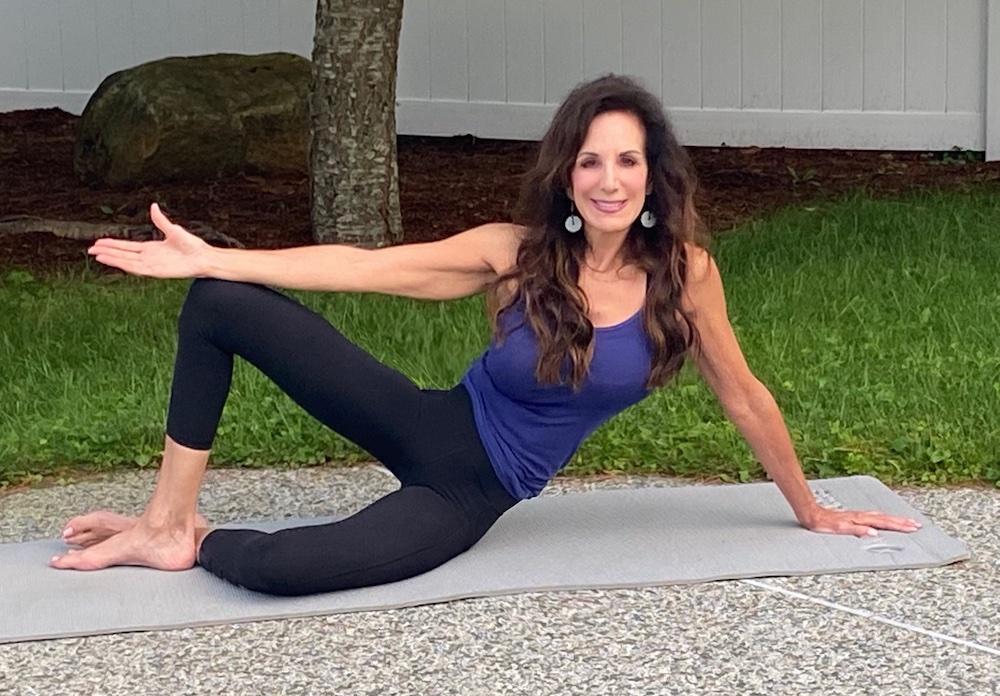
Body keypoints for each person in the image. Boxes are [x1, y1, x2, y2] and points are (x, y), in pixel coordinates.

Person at [50, 75, 921, 595]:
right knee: (218, 303)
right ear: (567, 174)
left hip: (469, 493)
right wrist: (216, 257)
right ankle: (167, 521)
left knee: (284, 571)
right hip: (430, 421)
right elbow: (366, 266)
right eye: (590, 160)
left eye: (626, 160)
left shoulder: (685, 276)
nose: (608, 180)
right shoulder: (516, 255)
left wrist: (810, 509)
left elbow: (743, 395)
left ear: (652, 174)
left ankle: (201, 542)